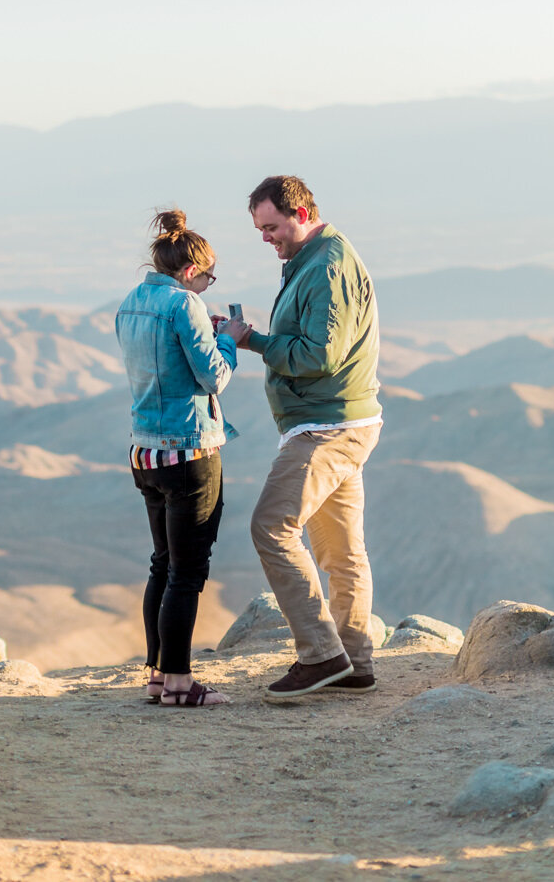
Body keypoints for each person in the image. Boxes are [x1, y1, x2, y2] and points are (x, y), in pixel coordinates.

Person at [240, 175, 382, 699]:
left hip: (328, 427)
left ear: (300, 213)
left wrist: (252, 340)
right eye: (259, 228)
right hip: (337, 422)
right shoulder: (311, 260)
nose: (265, 238)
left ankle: (322, 656)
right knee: (341, 550)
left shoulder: (327, 266)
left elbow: (319, 355)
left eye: (271, 226)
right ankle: (355, 663)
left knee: (271, 527)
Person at [115, 209, 250, 708]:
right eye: (209, 276)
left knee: (162, 565)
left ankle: (156, 675)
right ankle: (178, 681)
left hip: (144, 450)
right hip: (190, 450)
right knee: (187, 573)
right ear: (191, 271)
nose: (209, 285)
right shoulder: (185, 304)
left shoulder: (130, 303)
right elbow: (213, 377)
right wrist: (228, 339)